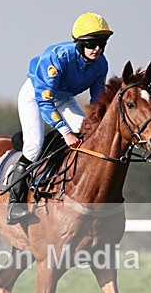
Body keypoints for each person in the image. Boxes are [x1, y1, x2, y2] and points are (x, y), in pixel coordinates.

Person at [7, 12, 113, 224]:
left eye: (102, 43)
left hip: (64, 99)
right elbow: (45, 101)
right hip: (36, 96)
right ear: (79, 43)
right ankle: (14, 204)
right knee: (33, 147)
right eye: (92, 43)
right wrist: (65, 132)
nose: (98, 49)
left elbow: (97, 100)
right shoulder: (58, 58)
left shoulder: (101, 64)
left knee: (88, 137)